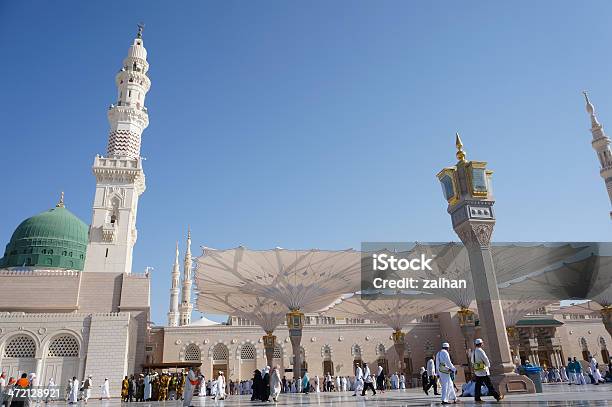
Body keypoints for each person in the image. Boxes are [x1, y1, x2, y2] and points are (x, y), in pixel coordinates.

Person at [471, 338, 502, 403]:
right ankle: (497, 396)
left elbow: (472, 361)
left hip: (477, 371)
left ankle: (477, 398)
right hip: (483, 371)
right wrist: (488, 365)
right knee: (489, 385)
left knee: (478, 385)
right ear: (481, 344)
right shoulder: (480, 351)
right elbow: (485, 359)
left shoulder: (473, 351)